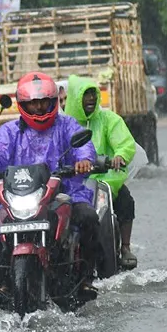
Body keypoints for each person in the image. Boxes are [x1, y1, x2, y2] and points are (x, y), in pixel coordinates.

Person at [0, 72, 100, 302]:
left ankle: (87, 277)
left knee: (88, 216)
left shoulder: (67, 125)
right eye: (33, 103)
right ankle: (4, 282)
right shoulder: (10, 131)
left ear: (53, 102)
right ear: (23, 105)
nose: (39, 108)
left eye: (44, 102)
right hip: (19, 196)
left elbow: (83, 145)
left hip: (64, 192)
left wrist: (83, 161)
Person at [64, 74, 138, 268]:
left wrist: (119, 157)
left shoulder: (108, 119)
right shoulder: (62, 124)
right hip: (72, 182)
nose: (91, 98)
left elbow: (124, 143)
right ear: (75, 98)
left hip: (104, 179)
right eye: (85, 94)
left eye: (93, 93)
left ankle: (125, 248)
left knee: (126, 200)